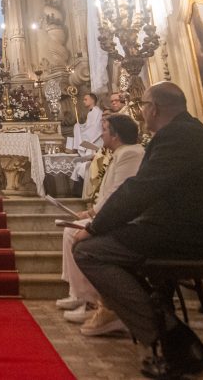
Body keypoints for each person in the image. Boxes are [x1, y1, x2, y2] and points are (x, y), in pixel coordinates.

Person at [72, 82, 203, 378]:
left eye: (143, 106)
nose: (142, 112)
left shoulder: (177, 137)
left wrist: (96, 226)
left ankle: (174, 339)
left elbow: (141, 190)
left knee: (89, 251)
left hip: (185, 234)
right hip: (182, 227)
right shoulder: (188, 132)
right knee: (99, 247)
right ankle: (166, 328)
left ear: (154, 108)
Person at [57, 113, 145, 336]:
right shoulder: (121, 153)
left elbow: (118, 192)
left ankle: (91, 300)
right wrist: (90, 212)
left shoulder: (130, 154)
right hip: (110, 214)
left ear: (115, 135)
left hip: (123, 220)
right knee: (69, 231)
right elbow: (111, 192)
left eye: (104, 130)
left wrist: (92, 216)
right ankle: (81, 296)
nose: (102, 134)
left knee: (72, 233)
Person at [69, 92, 102, 197]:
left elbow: (95, 129)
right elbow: (88, 127)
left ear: (92, 100)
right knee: (77, 126)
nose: (84, 101)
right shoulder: (90, 113)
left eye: (85, 99)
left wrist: (82, 130)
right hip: (90, 142)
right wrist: (80, 127)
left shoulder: (97, 112)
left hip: (95, 143)